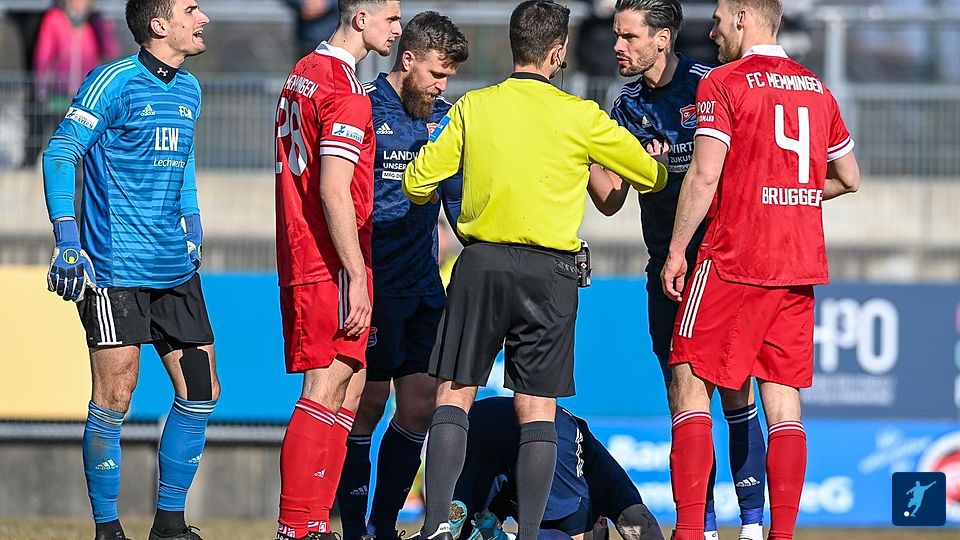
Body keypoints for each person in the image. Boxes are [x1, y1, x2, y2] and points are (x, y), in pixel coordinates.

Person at [402, 2, 669, 539]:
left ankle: (434, 527)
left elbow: (416, 181)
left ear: (513, 47)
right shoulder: (581, 115)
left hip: (480, 264)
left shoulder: (473, 107)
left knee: (454, 394)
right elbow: (651, 176)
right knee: (537, 410)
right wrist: (655, 162)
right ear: (558, 53)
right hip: (551, 272)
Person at [660, 1, 860, 539]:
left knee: (689, 380)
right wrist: (791, 193)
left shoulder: (722, 83)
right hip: (797, 264)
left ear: (744, 17)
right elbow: (849, 176)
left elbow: (704, 176)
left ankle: (689, 531)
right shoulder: (817, 88)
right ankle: (781, 532)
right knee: (784, 403)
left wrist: (677, 250)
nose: (712, 30)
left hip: (734, 258)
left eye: (719, 18)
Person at [587, 1, 766, 538]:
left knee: (736, 394)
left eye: (629, 37)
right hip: (665, 273)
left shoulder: (711, 85)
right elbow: (610, 200)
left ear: (662, 39)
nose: (617, 46)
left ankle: (751, 526)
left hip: (721, 265)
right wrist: (585, 149)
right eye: (616, 36)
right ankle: (702, 527)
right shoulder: (625, 107)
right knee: (683, 400)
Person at [41, 1, 215, 539]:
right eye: (191, 9)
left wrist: (192, 220)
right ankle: (108, 530)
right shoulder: (112, 81)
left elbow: (184, 158)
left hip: (174, 267)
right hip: (114, 269)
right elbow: (60, 153)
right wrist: (67, 240)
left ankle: (169, 526)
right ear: (160, 25)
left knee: (202, 390)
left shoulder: (190, 89)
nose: (203, 18)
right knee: (116, 395)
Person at [335, 11, 468, 540]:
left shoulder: (447, 119)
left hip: (423, 284)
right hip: (373, 282)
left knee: (418, 408)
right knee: (365, 406)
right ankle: (353, 530)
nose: (442, 87)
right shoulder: (364, 105)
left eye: (449, 77)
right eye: (436, 73)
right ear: (407, 59)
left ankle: (384, 526)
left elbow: (455, 200)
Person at [273, 0, 402, 538]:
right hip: (326, 258)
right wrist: (355, 275)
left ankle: (316, 522)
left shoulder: (305, 69)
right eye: (391, 18)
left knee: (350, 386)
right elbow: (332, 188)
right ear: (360, 18)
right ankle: (295, 526)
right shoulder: (346, 91)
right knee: (324, 386)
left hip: (314, 250)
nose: (398, 29)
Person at [449, 397, 664, 540]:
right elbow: (643, 526)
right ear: (601, 522)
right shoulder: (609, 486)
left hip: (476, 420)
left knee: (464, 529)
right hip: (550, 433)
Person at [28, 0, 120, 166]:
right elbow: (43, 55)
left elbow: (111, 51)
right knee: (55, 143)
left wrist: (103, 26)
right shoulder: (54, 19)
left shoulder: (95, 22)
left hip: (85, 96)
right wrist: (41, 88)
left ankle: (79, 178)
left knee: (83, 146)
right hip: (58, 94)